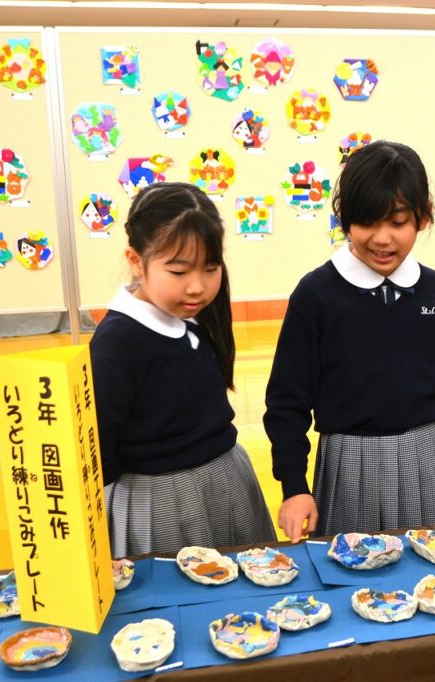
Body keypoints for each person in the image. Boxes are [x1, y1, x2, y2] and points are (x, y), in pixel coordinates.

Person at [265, 140, 435, 541]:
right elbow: (286, 403)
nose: (383, 239)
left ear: (423, 217)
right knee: (353, 572)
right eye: (367, 222)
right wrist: (294, 486)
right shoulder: (316, 295)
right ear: (344, 217)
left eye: (398, 222)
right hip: (351, 465)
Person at [91, 182, 277, 557]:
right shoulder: (116, 344)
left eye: (211, 268)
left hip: (227, 484)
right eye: (178, 271)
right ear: (136, 261)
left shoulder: (193, 318)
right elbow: (98, 452)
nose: (197, 287)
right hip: (157, 502)